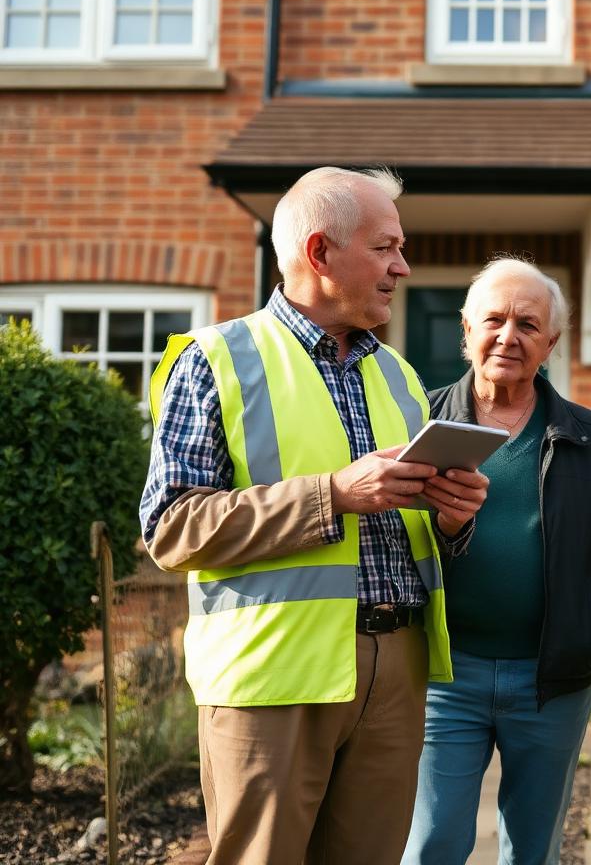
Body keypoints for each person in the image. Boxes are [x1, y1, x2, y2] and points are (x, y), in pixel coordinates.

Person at [140, 166, 489, 865]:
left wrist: (454, 518)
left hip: (397, 671)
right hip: (273, 678)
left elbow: (406, 525)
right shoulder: (215, 359)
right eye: (386, 246)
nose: (403, 265)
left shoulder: (399, 374)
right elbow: (171, 528)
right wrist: (330, 494)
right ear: (321, 252)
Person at [402, 258, 591, 865]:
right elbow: (385, 536)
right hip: (442, 675)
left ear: (551, 343)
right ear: (466, 329)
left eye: (528, 325)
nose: (509, 336)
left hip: (552, 678)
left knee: (532, 849)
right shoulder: (420, 424)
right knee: (430, 842)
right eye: (494, 320)